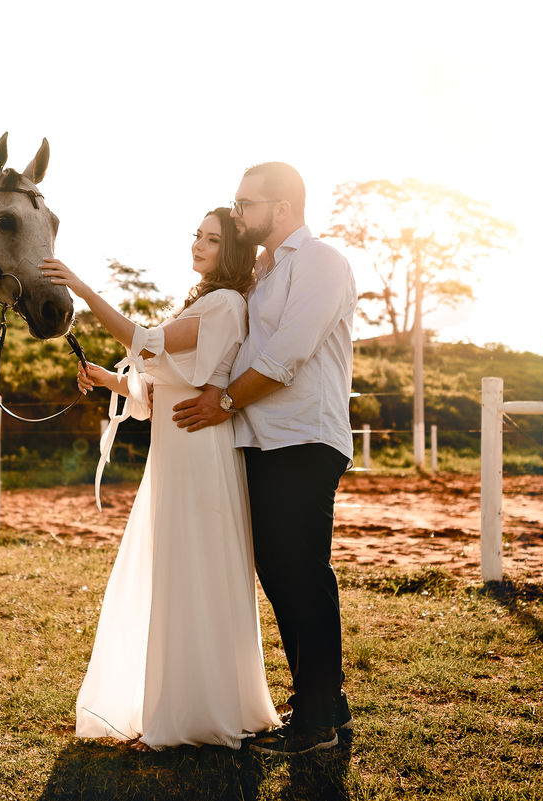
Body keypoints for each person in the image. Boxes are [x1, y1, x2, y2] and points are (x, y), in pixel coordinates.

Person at [42, 208, 280, 751]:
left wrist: (80, 287)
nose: (199, 244)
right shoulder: (207, 303)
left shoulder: (226, 303)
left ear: (232, 251)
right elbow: (163, 384)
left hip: (198, 452)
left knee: (193, 568)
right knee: (177, 568)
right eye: (197, 235)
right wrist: (110, 379)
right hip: (176, 450)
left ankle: (196, 711)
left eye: (212, 239)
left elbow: (143, 340)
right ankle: (181, 701)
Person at [171, 163, 357, 755]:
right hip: (261, 441)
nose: (237, 213)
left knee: (302, 572)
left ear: (281, 208)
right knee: (280, 573)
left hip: (305, 438)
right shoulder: (262, 273)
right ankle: (326, 702)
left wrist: (223, 401)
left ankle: (317, 721)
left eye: (245, 204)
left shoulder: (321, 262)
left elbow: (286, 357)